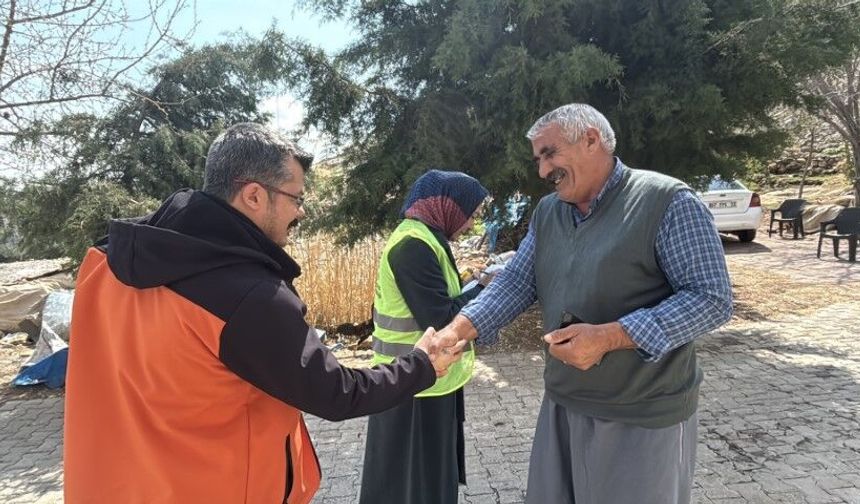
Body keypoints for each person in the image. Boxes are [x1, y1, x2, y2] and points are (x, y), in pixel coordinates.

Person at [63, 123, 465, 504]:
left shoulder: (104, 262)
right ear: (254, 196)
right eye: (297, 198)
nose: (302, 212)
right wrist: (422, 364)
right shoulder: (249, 298)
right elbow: (338, 394)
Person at [438, 103, 733, 504]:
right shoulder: (549, 213)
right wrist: (455, 333)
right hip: (563, 405)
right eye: (539, 159)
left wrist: (611, 337)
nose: (542, 171)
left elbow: (710, 298)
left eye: (550, 153)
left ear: (592, 139)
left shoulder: (666, 201)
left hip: (642, 415)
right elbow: (517, 283)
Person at [359, 169, 490, 504]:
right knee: (414, 486)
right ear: (451, 208)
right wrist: (485, 288)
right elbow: (442, 318)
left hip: (423, 381)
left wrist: (473, 283)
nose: (471, 225)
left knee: (417, 481)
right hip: (413, 387)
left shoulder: (425, 238)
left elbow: (440, 300)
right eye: (470, 215)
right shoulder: (413, 246)